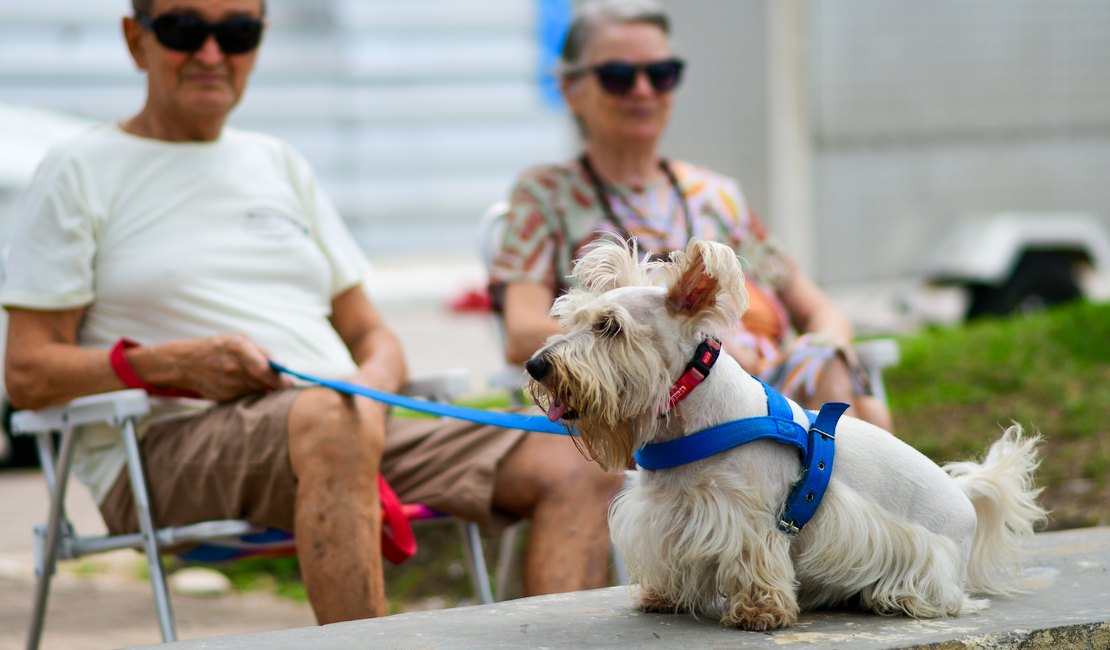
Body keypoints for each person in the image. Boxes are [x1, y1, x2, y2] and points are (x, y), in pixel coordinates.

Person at [1, 0, 621, 625]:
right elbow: (27, 372)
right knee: (330, 420)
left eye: (237, 33)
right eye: (185, 30)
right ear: (137, 40)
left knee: (575, 458)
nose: (213, 55)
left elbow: (371, 332)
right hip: (168, 440)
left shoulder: (278, 162)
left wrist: (372, 389)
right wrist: (171, 364)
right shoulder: (77, 169)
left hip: (347, 418)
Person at [489, 0, 893, 431]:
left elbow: (820, 312)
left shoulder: (716, 195)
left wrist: (823, 346)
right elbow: (522, 330)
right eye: (619, 77)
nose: (644, 90)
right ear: (570, 90)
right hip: (645, 399)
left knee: (835, 376)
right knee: (855, 416)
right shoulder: (547, 195)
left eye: (662, 74)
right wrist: (687, 347)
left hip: (761, 390)